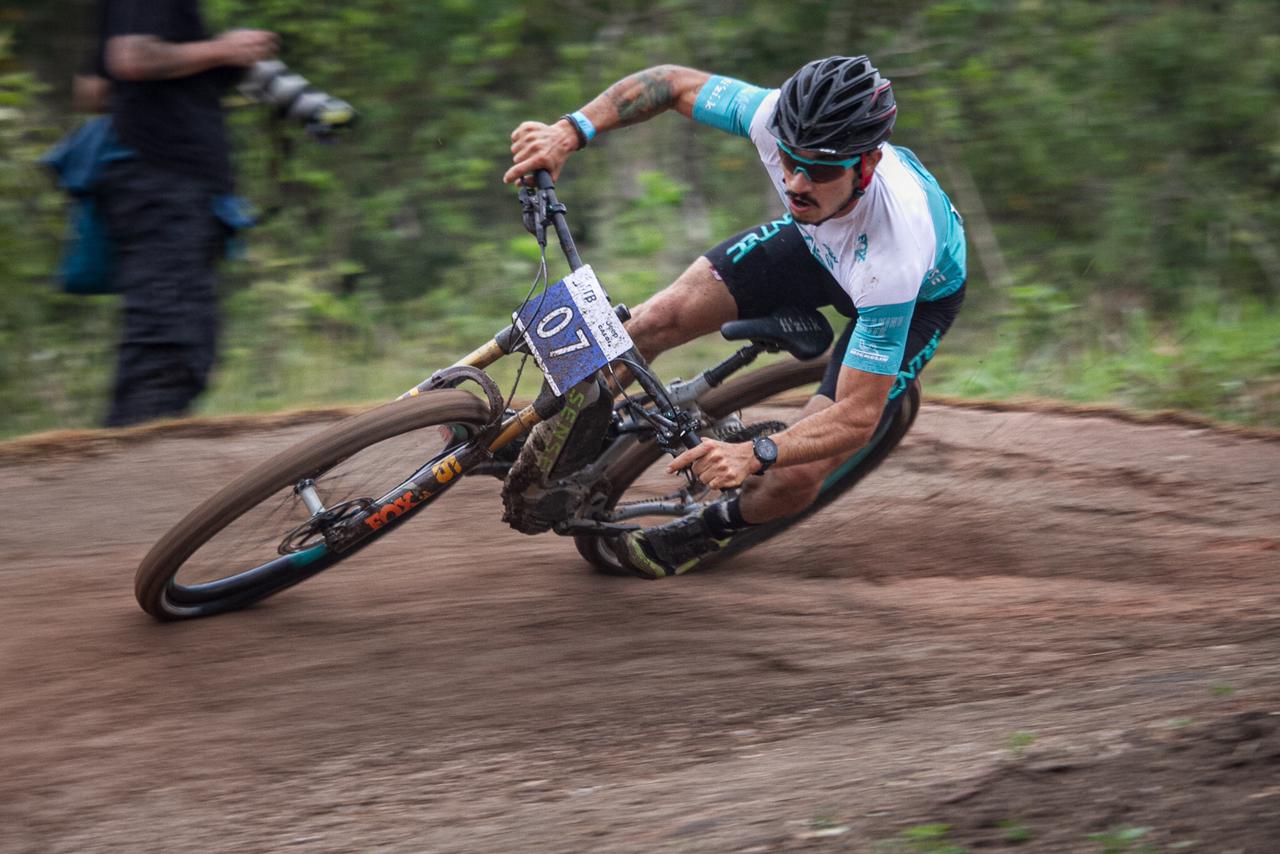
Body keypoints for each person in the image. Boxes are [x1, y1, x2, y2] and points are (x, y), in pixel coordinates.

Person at [503, 57, 967, 579]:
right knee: (656, 319)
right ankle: (552, 425)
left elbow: (857, 416)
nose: (796, 182)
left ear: (869, 164)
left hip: (912, 297)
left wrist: (756, 452)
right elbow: (670, 83)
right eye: (789, 160)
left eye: (820, 170)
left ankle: (715, 527)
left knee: (797, 472)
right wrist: (569, 131)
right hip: (819, 242)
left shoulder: (895, 252)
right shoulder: (772, 118)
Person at [91, 0, 278, 426]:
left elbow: (94, 90)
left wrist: (208, 71)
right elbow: (131, 57)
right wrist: (222, 50)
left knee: (170, 352)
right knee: (166, 358)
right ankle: (129, 466)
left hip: (157, 188)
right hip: (164, 189)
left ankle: (127, 458)